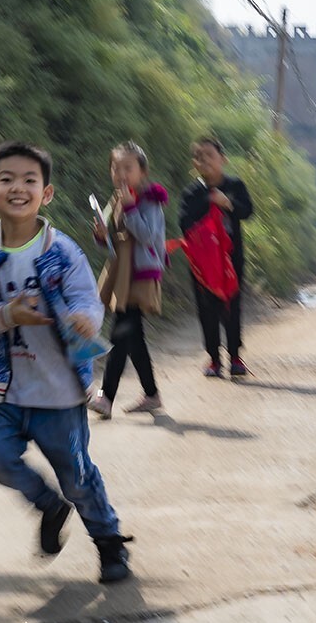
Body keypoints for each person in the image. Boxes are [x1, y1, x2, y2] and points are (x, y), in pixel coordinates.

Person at [0, 141, 133, 584]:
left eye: (29, 180)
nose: (18, 188)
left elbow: (89, 303)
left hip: (58, 390)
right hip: (1, 388)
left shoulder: (63, 252)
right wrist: (4, 315)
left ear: (46, 194)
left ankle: (109, 543)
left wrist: (85, 322)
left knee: (77, 474)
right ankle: (48, 505)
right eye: (7, 179)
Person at [88, 142, 168, 418]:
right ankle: (151, 394)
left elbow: (148, 237)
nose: (121, 173)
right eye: (116, 167)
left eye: (128, 168)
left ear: (142, 172)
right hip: (122, 273)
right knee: (133, 338)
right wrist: (101, 234)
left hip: (140, 275)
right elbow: (113, 240)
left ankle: (106, 397)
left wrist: (132, 209)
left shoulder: (150, 200)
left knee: (121, 333)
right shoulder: (116, 198)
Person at [178, 137, 255, 378]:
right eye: (200, 157)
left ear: (223, 159)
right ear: (195, 164)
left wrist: (228, 203)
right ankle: (213, 358)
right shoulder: (192, 192)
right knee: (206, 310)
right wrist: (207, 202)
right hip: (203, 265)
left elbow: (248, 211)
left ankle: (235, 356)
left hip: (232, 261)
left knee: (232, 308)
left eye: (210, 155)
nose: (206, 161)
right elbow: (184, 222)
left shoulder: (235, 185)